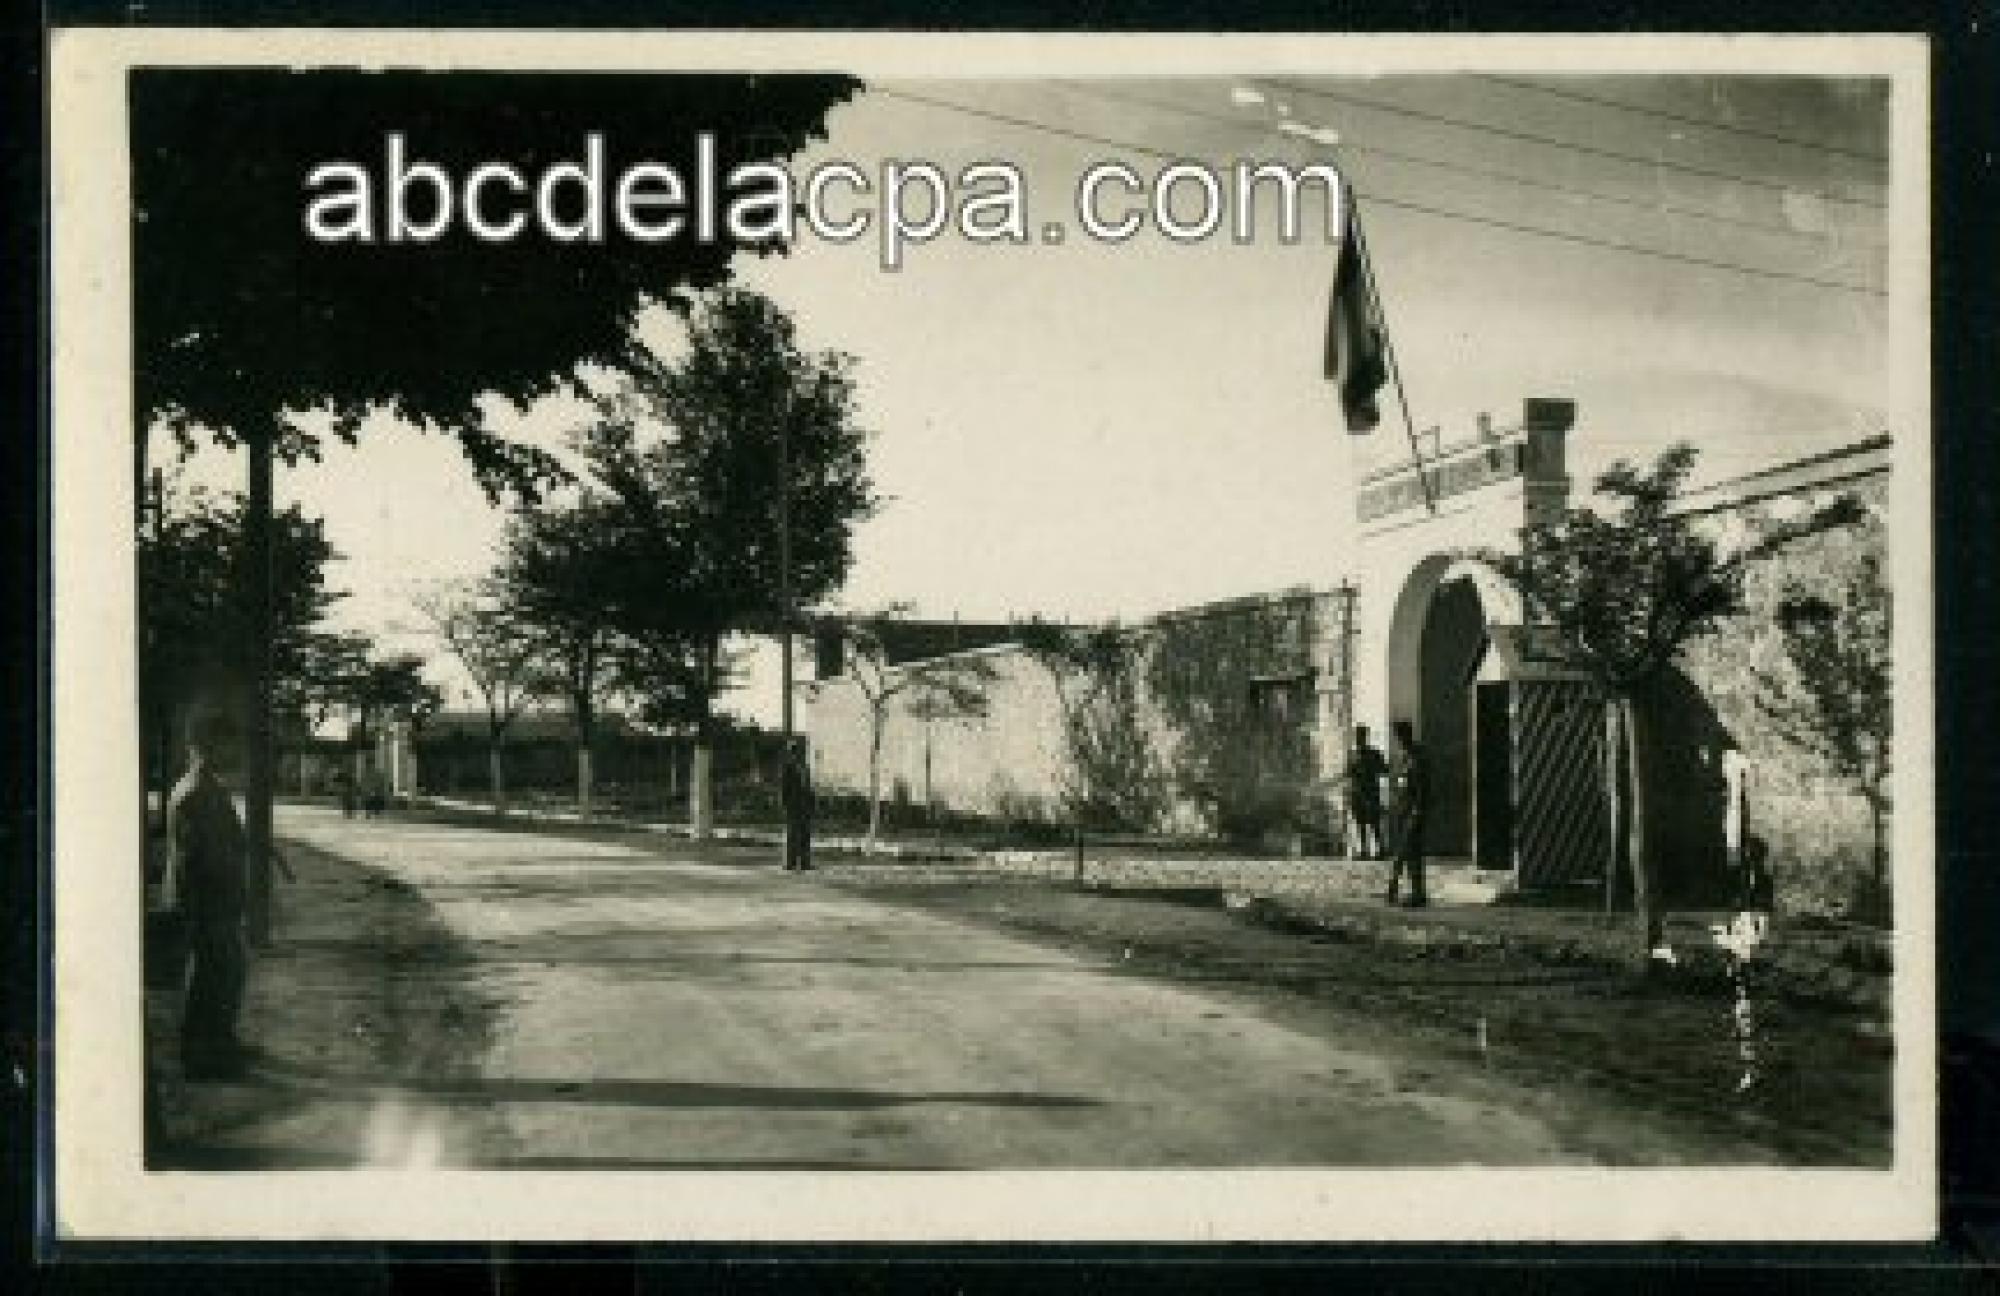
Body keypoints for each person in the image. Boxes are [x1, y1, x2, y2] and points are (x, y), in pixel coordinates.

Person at [163, 720, 254, 1080]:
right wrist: (198, 912)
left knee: (221, 974)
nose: (233, 752)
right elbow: (190, 860)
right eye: (225, 745)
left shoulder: (205, 787)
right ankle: (204, 1056)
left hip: (217, 902)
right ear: (204, 747)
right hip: (208, 904)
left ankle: (215, 1043)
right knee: (215, 975)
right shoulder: (195, 793)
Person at [1385, 720, 1430, 908]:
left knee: (1411, 853)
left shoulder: (1417, 758)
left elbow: (1422, 787)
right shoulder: (1404, 757)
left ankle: (1416, 892)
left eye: (1400, 736)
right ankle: (1399, 889)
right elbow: (1399, 784)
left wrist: (1417, 811)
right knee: (1404, 851)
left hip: (1413, 810)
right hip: (1401, 810)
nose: (1399, 741)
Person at [1345, 725, 1389, 860]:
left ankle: (1380, 849)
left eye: (1361, 736)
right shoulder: (1352, 755)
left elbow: (1384, 770)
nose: (1359, 739)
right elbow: (1349, 774)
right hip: (1358, 793)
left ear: (1365, 737)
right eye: (1358, 737)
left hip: (1371, 792)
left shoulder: (1374, 754)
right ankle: (1364, 850)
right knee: (1361, 823)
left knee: (1374, 823)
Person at [779, 739, 815, 872]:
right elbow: (784, 788)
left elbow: (808, 787)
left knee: (805, 834)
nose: (797, 754)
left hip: (805, 805)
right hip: (793, 805)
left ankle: (805, 862)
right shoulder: (788, 767)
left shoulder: (805, 767)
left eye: (799, 751)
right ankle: (790, 863)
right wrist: (785, 805)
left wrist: (811, 803)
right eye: (794, 751)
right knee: (792, 834)